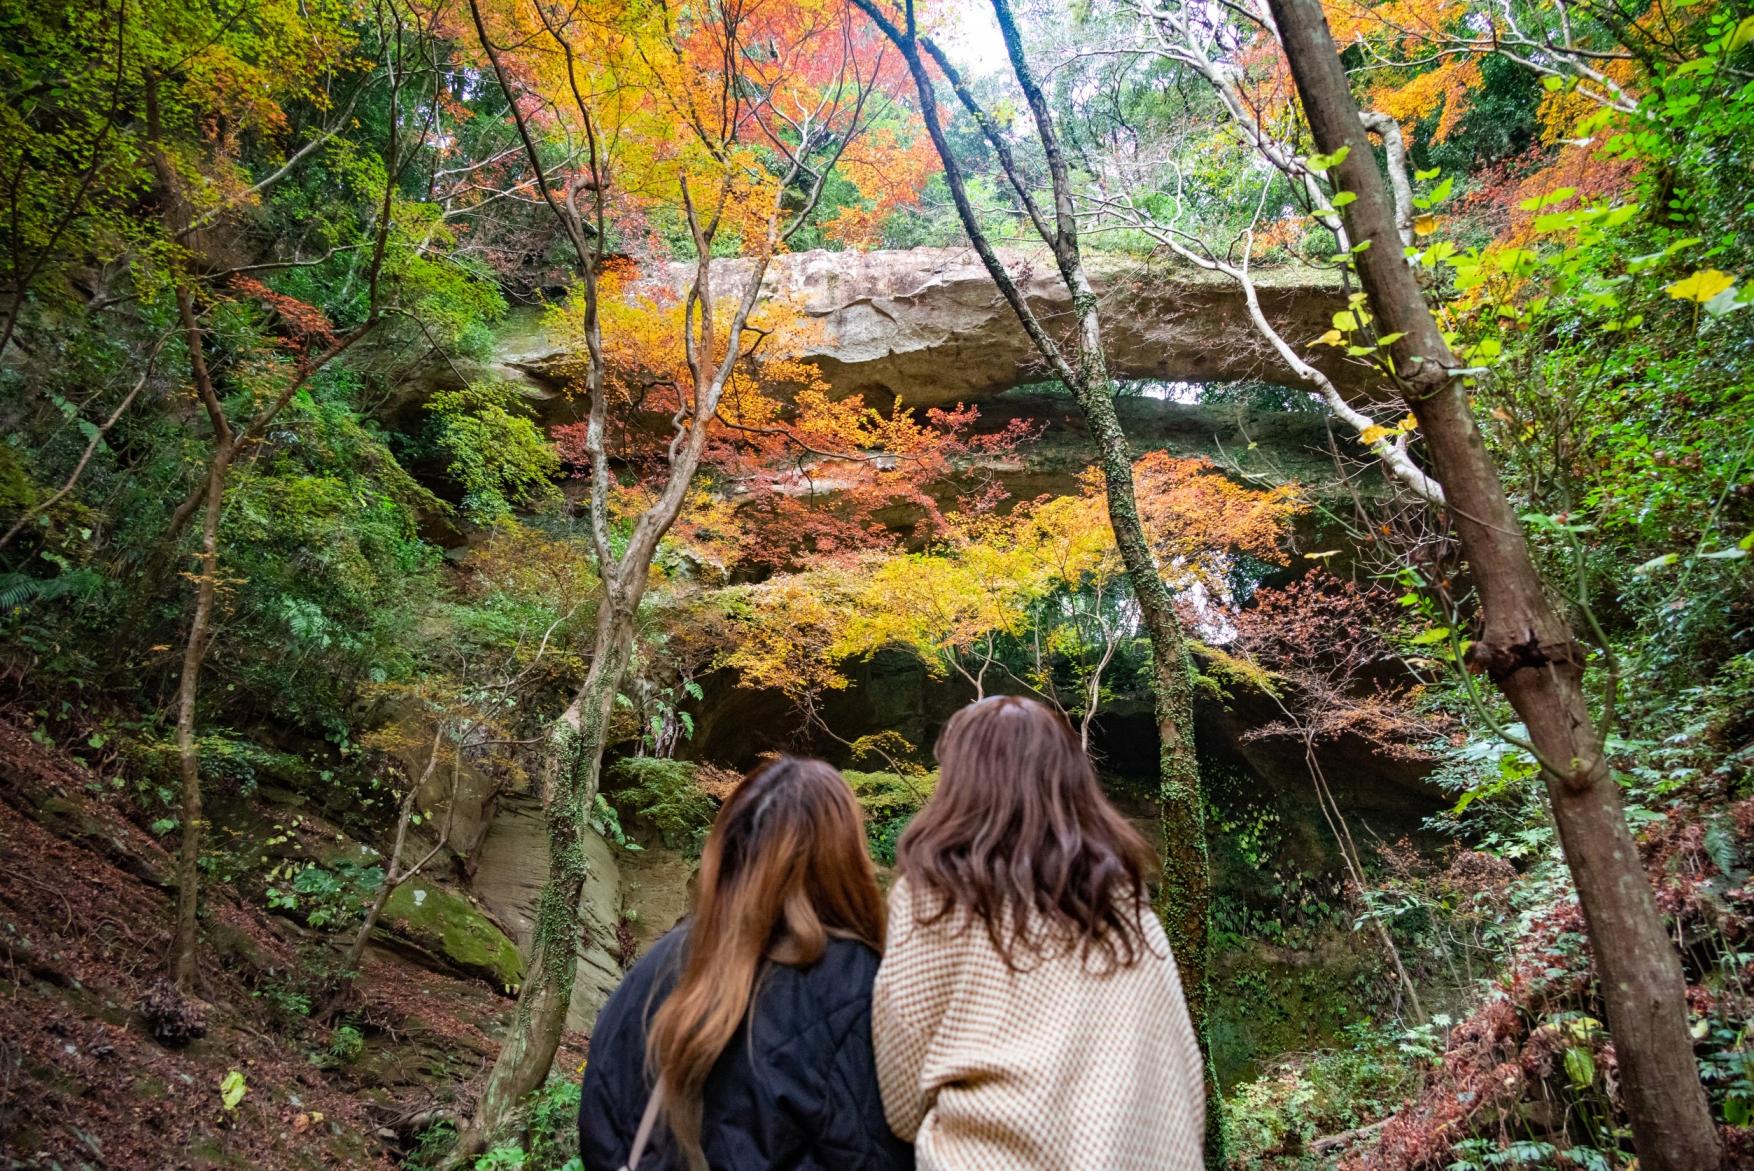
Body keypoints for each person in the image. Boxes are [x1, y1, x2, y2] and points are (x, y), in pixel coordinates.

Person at [873, 695, 1205, 1171]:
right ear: (1072, 784)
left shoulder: (934, 900)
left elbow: (902, 1105)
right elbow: (1185, 1085)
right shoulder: (1127, 908)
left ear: (960, 784)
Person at [578, 755, 913, 1171]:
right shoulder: (855, 979)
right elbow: (876, 1148)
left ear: (728, 843)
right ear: (844, 858)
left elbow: (602, 1113)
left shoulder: (660, 964)